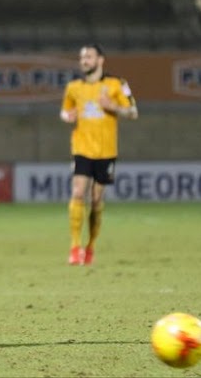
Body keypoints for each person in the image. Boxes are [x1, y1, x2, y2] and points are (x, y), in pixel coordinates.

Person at [59, 43, 138, 266]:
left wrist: (113, 106)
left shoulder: (117, 84)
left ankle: (90, 246)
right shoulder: (74, 87)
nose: (84, 60)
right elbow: (66, 111)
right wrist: (68, 116)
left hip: (106, 151)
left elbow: (133, 111)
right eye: (82, 57)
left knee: (95, 200)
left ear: (100, 60)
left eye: (89, 56)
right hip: (82, 149)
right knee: (77, 192)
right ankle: (75, 247)